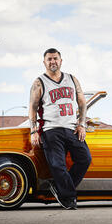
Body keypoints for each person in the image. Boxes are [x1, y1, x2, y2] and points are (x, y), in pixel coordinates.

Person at [29, 48, 91, 210]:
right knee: (57, 165)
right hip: (51, 129)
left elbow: (82, 102)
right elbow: (33, 107)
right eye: (49, 59)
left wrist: (81, 124)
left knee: (85, 158)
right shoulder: (39, 82)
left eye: (55, 58)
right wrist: (34, 130)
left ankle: (60, 187)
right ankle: (69, 197)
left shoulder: (72, 79)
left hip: (72, 129)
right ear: (44, 62)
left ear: (61, 60)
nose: (52, 61)